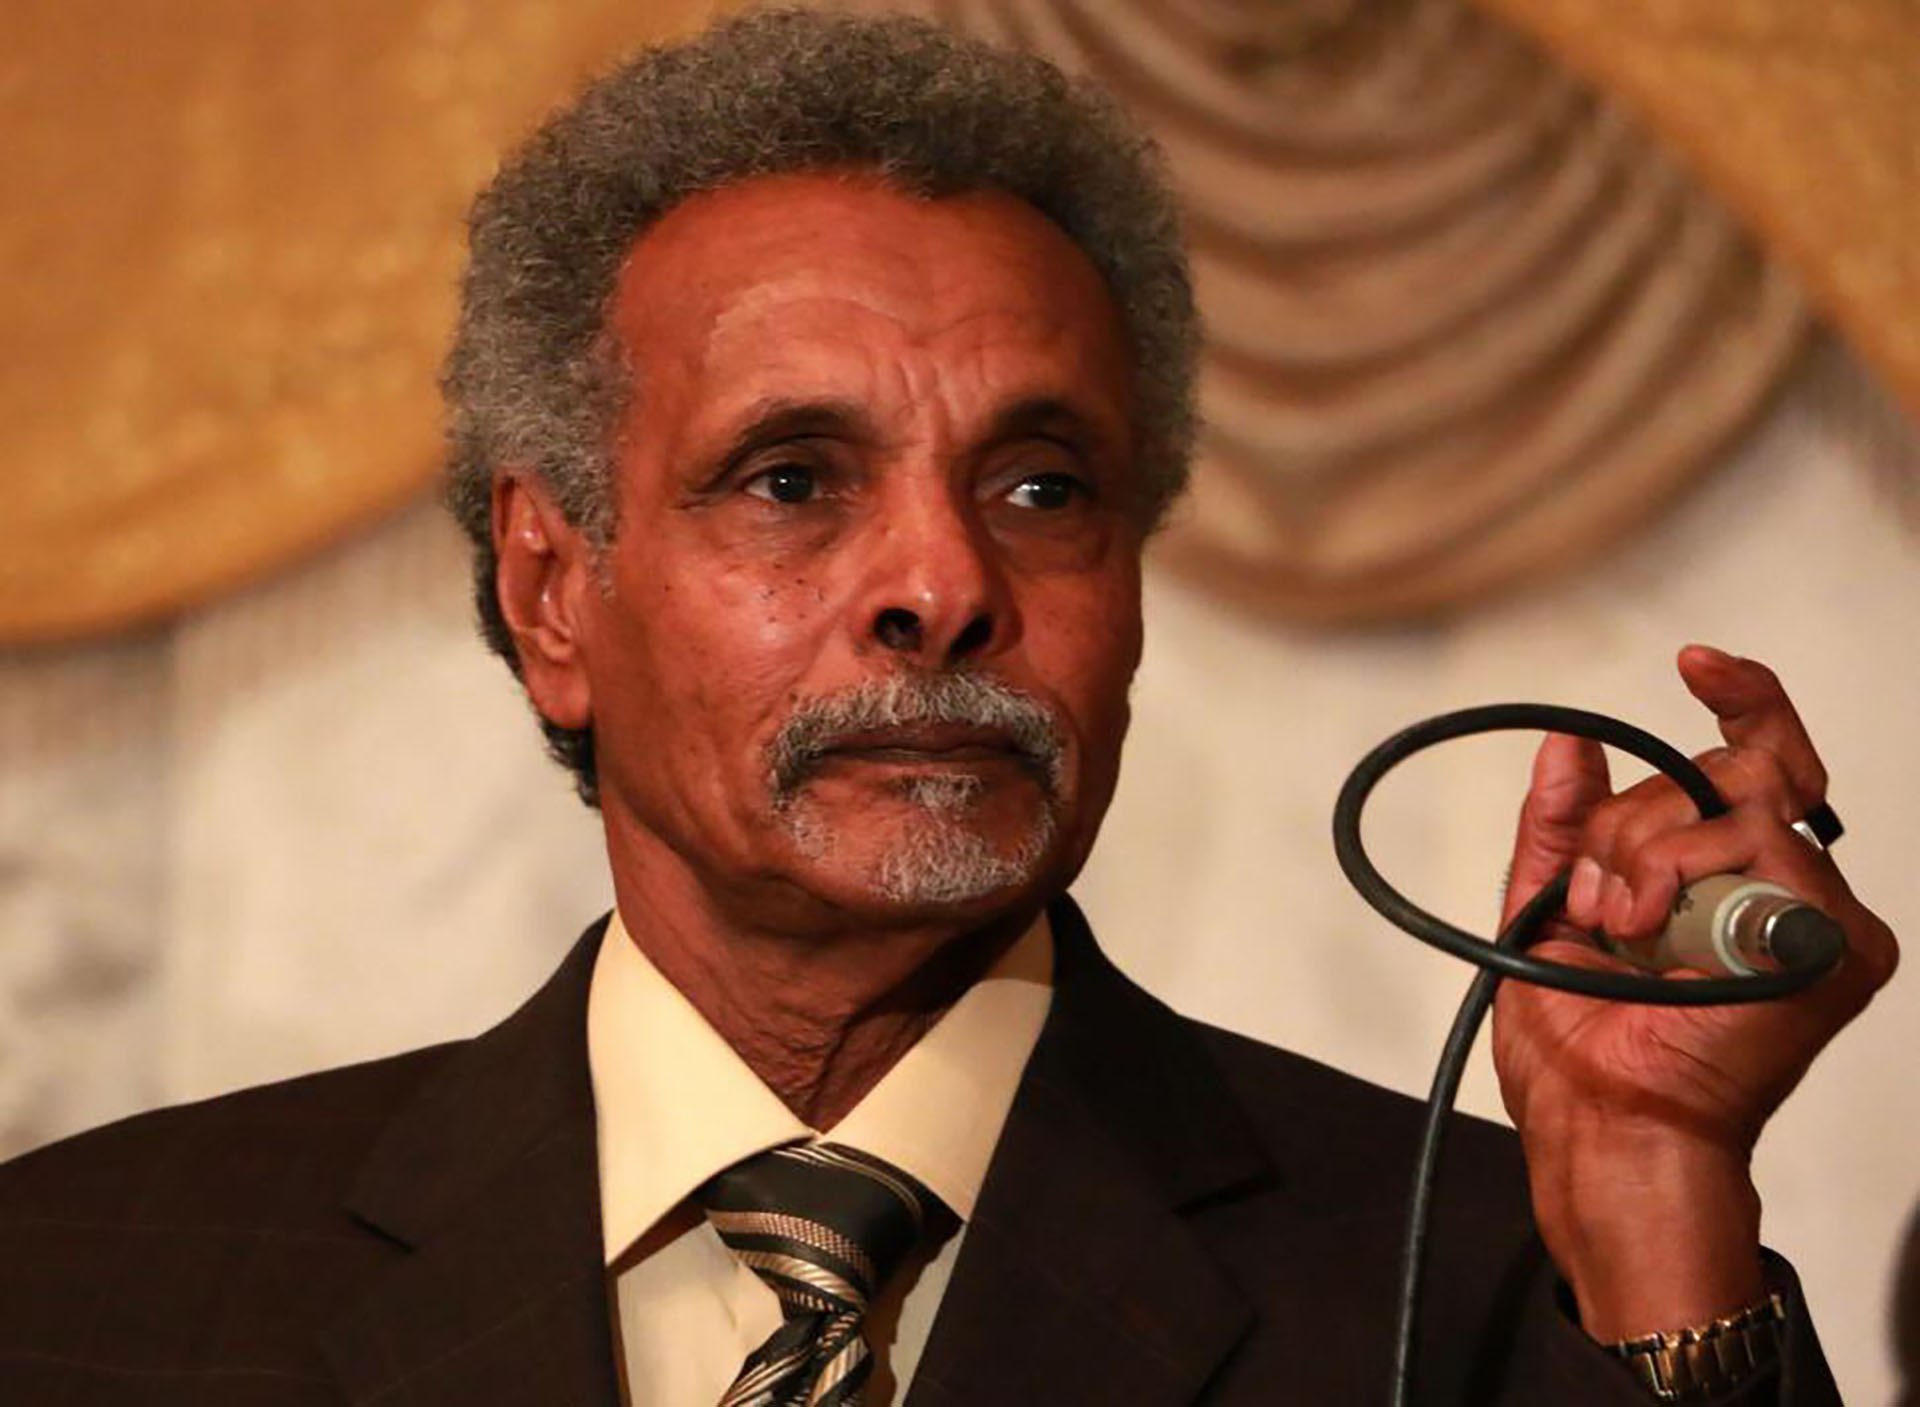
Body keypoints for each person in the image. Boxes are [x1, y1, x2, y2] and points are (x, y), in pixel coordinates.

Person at [0, 9, 1896, 1405]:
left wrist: (1645, 1191)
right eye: (793, 480)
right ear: (551, 588)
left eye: (1043, 487)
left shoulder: (1496, 1276)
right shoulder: (80, 1290)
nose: (946, 582)